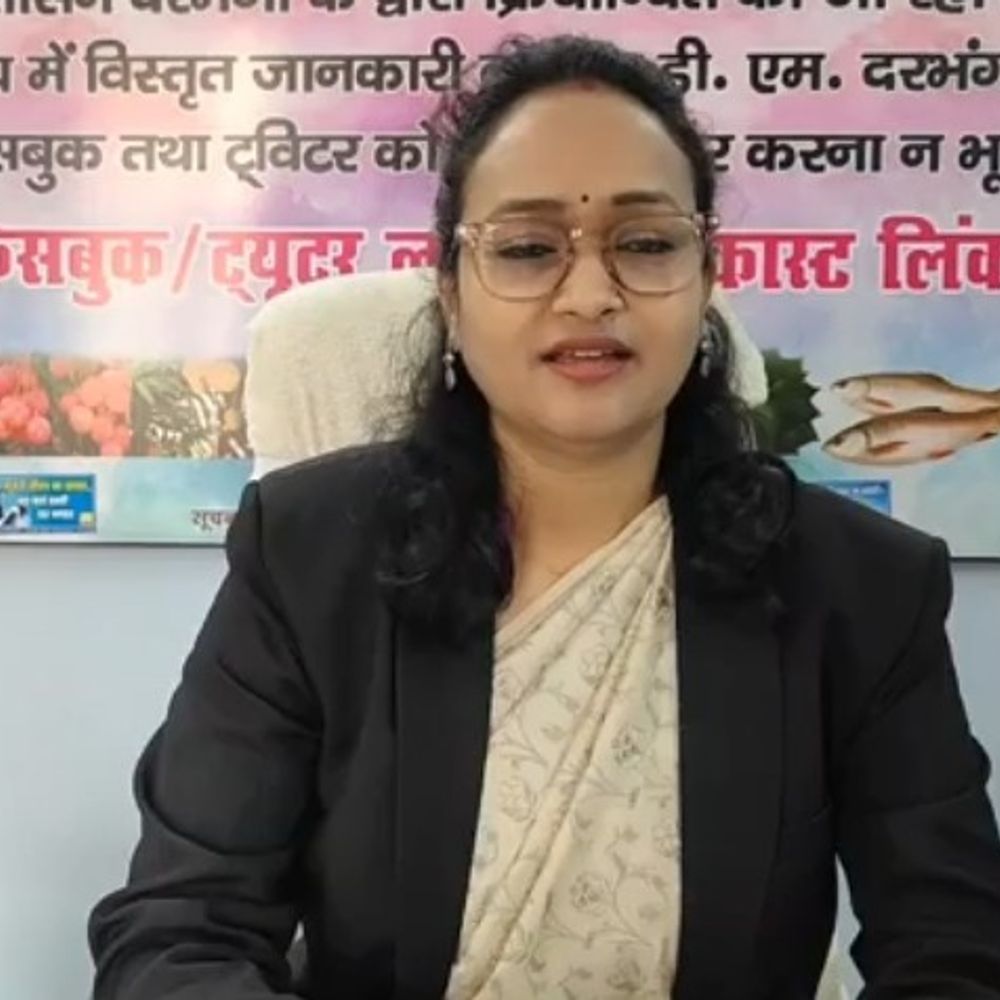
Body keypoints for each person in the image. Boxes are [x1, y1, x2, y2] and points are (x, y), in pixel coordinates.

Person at [89, 34, 1000, 1000]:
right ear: (451, 293)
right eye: (527, 249)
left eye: (646, 244)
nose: (592, 293)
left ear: (704, 279)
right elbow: (180, 931)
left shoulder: (860, 586)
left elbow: (953, 951)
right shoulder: (310, 554)